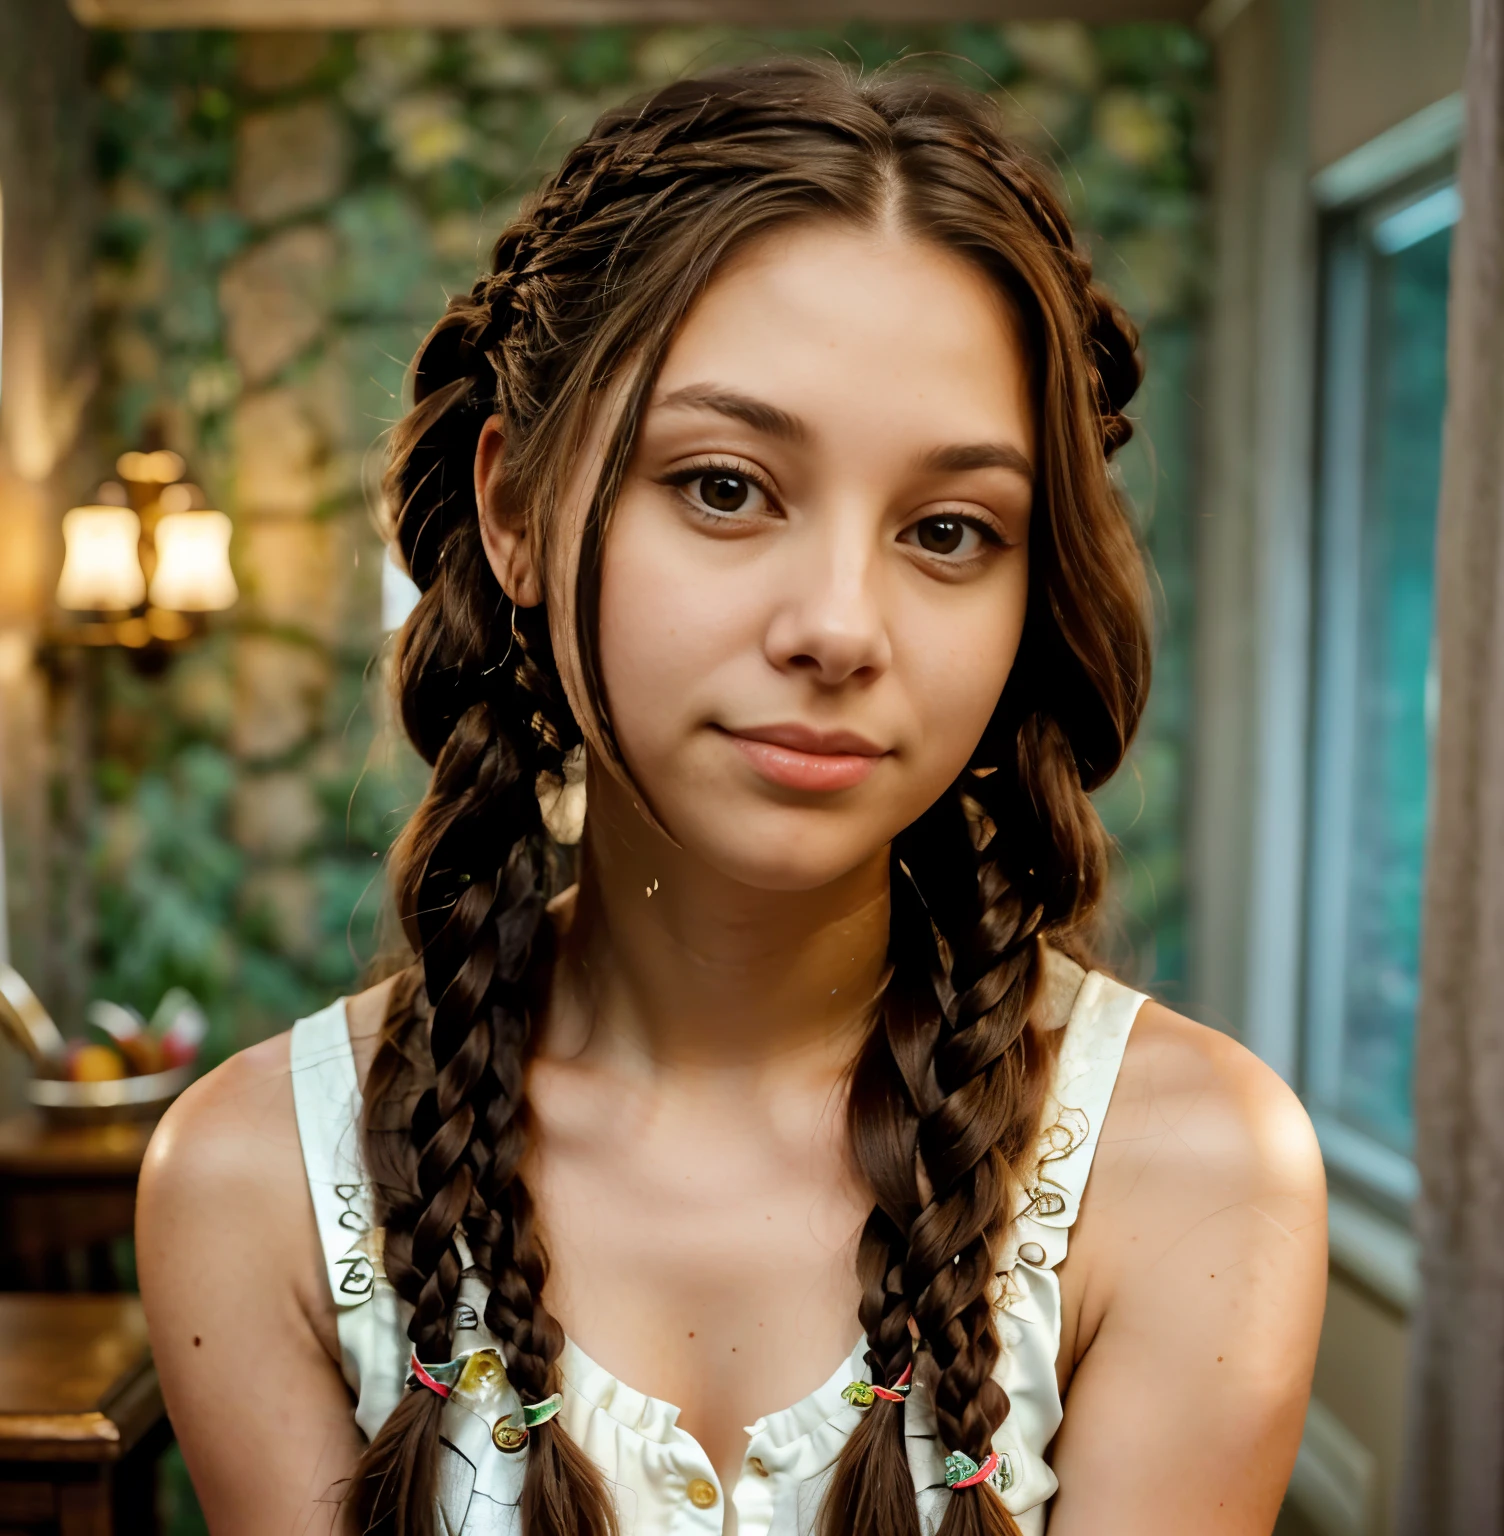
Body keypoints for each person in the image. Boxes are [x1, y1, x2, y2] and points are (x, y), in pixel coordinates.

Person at [136, 58, 1327, 1536]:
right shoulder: (255, 1186)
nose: (840, 625)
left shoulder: (1196, 1171)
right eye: (723, 487)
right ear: (515, 509)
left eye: (949, 529)